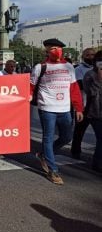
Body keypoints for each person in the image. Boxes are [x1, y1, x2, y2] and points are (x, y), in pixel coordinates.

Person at [31, 38, 83, 185]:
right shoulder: (40, 67)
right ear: (46, 51)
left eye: (57, 48)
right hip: (47, 108)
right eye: (51, 49)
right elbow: (31, 86)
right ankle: (53, 171)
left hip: (65, 109)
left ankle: (43, 154)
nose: (55, 51)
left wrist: (78, 107)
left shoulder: (69, 67)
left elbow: (74, 89)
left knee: (67, 137)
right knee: (47, 138)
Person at [71, 48, 96, 159]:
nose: (91, 57)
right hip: (84, 106)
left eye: (93, 55)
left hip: (97, 107)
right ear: (83, 56)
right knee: (79, 131)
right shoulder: (78, 70)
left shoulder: (98, 69)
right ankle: (75, 152)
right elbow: (79, 86)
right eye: (88, 55)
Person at [82, 51, 102, 172]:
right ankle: (97, 163)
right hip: (95, 112)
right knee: (101, 138)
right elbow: (91, 93)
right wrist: (99, 78)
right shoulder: (89, 75)